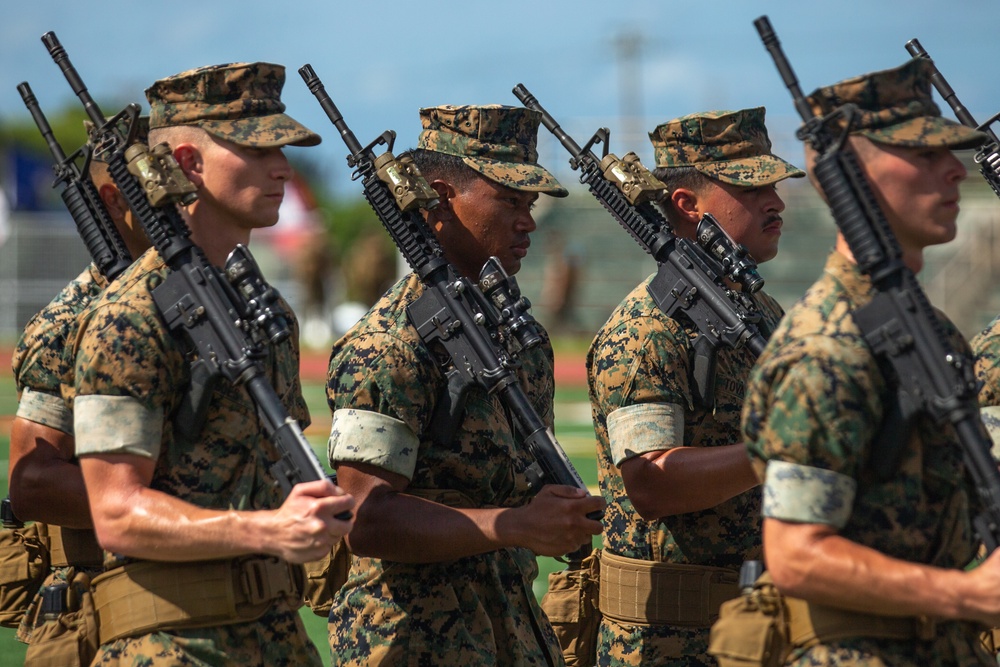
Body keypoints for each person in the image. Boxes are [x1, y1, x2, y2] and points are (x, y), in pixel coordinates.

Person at [71, 62, 355, 666]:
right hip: (172, 645)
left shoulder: (264, 307)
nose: (281, 166)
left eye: (282, 147)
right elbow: (117, 514)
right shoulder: (131, 316)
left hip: (274, 636)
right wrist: (269, 531)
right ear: (187, 163)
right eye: (256, 148)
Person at [325, 104, 605, 665]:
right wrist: (517, 526)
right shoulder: (389, 344)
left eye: (530, 204)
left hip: (514, 631)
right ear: (439, 198)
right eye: (509, 200)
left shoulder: (519, 338)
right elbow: (363, 516)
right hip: (414, 642)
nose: (528, 221)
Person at [741, 58, 998, 665]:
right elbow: (797, 552)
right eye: (925, 155)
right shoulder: (829, 349)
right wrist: (965, 593)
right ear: (853, 174)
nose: (955, 171)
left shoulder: (929, 331)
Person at [587, 107, 804, 666]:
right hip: (668, 643)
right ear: (688, 204)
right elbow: (652, 483)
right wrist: (780, 448)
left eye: (775, 183)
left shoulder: (759, 308)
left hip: (759, 627)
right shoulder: (645, 330)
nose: (775, 201)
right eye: (751, 187)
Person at [6, 117, 151, 659]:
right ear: (114, 201)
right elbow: (34, 482)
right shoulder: (67, 323)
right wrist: (185, 501)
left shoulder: (203, 303)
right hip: (97, 602)